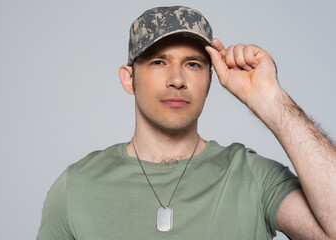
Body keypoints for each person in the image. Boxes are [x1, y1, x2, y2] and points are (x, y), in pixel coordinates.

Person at [36, 6, 336, 240]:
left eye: (192, 64)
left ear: (209, 79)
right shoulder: (76, 187)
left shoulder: (252, 177)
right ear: (129, 79)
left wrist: (271, 101)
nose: (177, 80)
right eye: (158, 62)